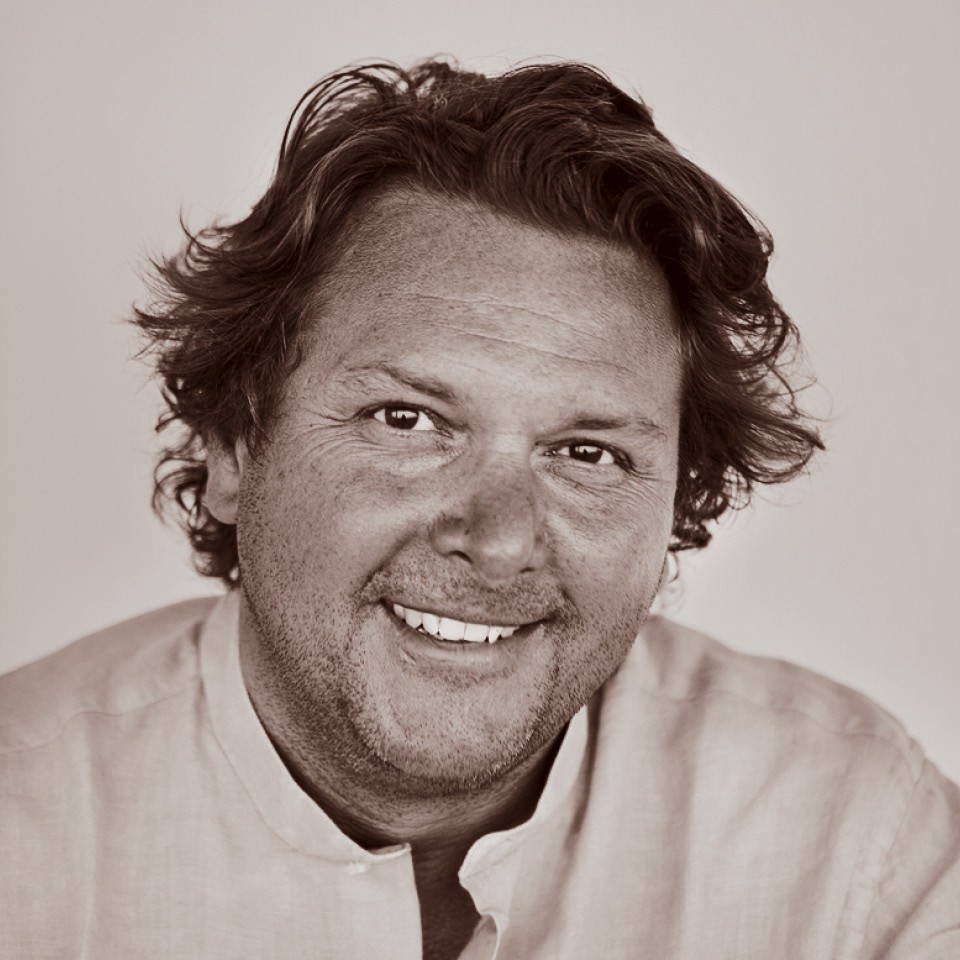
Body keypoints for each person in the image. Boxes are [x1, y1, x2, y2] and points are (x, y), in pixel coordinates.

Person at [1, 58, 957, 960]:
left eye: (587, 453)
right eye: (407, 420)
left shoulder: (858, 847)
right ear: (234, 447)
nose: (498, 543)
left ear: (676, 503)